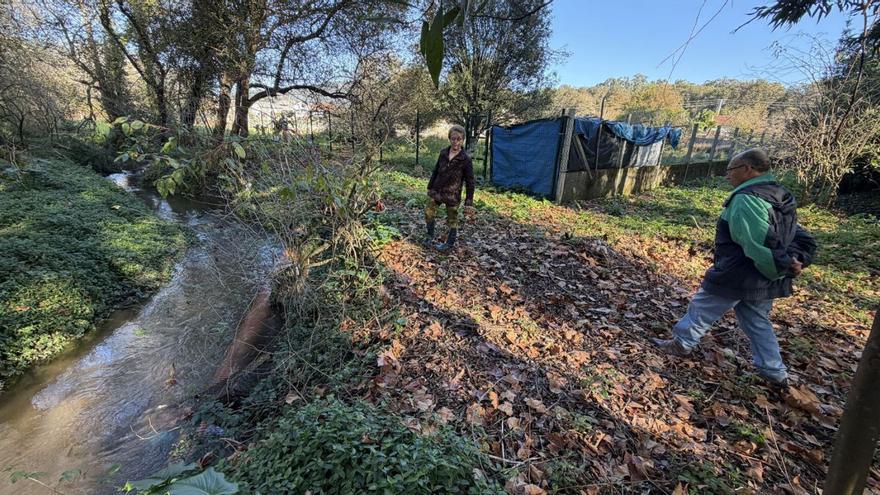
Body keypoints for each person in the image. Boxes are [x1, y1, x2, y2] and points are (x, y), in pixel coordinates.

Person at [651, 149, 817, 387]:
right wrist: (795, 259)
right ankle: (773, 371)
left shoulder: (746, 198)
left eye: (731, 169)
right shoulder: (779, 195)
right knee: (757, 321)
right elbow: (799, 236)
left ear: (747, 169)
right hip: (763, 277)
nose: (727, 175)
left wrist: (781, 266)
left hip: (739, 273)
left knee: (703, 305)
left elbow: (757, 243)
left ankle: (681, 344)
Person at [424, 125, 476, 251]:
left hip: (452, 194)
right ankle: (429, 237)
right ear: (449, 139)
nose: (456, 142)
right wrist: (430, 187)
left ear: (462, 140)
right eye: (453, 139)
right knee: (428, 213)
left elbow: (470, 181)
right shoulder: (443, 153)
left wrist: (469, 201)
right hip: (437, 190)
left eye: (459, 139)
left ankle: (449, 244)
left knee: (452, 219)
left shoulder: (465, 159)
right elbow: (436, 171)